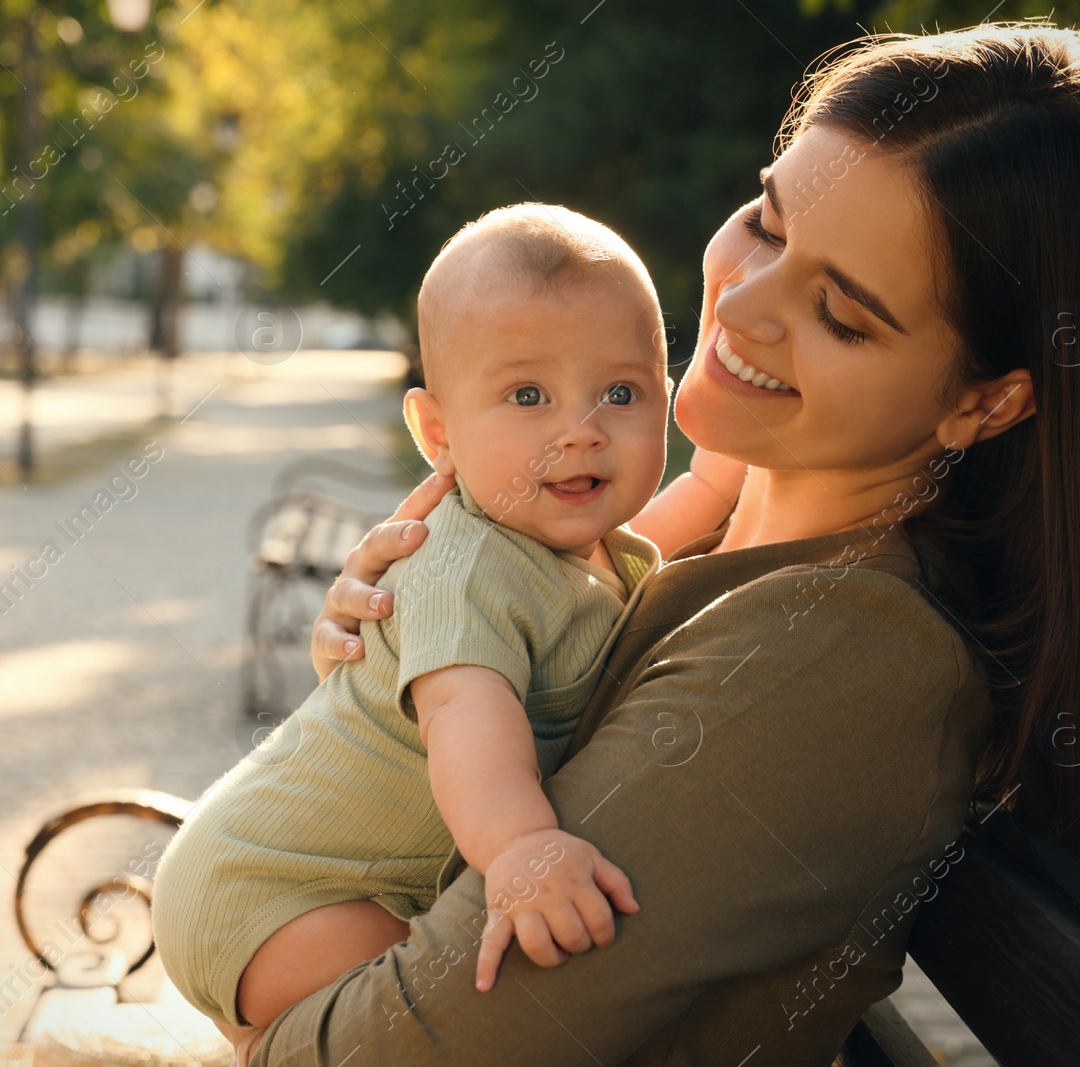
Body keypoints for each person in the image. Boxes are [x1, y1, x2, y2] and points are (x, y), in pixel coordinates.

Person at [233, 19, 1080, 1067]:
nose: (742, 304)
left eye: (839, 312)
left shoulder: (827, 662)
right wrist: (395, 665)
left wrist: (247, 991)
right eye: (766, 219)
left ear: (986, 400)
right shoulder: (714, 555)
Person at [152, 203, 753, 1038]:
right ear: (439, 431)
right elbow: (467, 716)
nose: (580, 433)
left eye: (620, 392)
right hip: (270, 889)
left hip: (336, 878)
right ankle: (265, 1041)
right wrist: (518, 848)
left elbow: (659, 530)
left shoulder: (578, 550)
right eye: (528, 395)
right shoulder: (462, 566)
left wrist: (724, 481)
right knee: (429, 991)